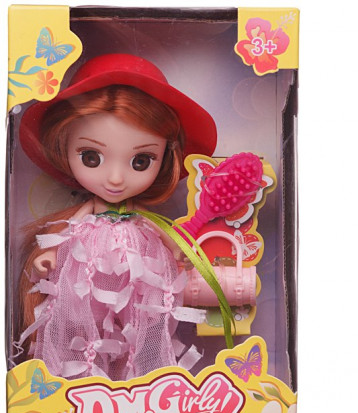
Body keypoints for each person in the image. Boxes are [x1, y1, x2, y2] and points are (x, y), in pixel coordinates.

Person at [15, 53, 218, 378]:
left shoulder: (141, 217)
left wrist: (180, 250)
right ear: (63, 146)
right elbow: (67, 231)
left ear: (166, 156)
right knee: (84, 321)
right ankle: (83, 376)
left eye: (141, 161)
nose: (115, 178)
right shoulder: (86, 214)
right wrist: (49, 255)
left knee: (137, 324)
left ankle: (134, 376)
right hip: (88, 271)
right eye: (91, 157)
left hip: (139, 273)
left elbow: (163, 232)